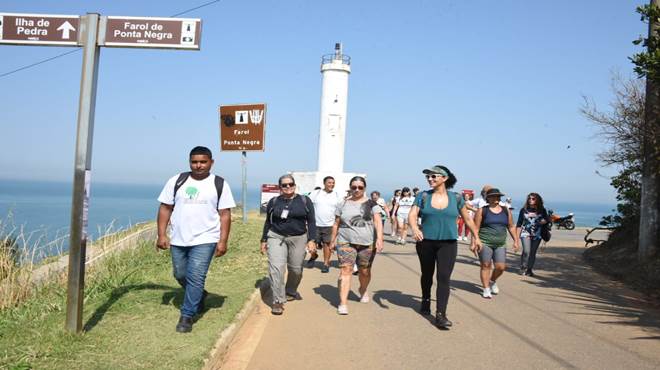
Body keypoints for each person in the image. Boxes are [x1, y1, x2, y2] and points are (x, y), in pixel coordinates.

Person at [157, 146, 236, 333]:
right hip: (179, 238)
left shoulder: (219, 183)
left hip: (206, 238)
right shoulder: (176, 181)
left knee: (196, 276)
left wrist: (223, 241)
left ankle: (187, 315)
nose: (198, 165)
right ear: (189, 162)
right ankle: (199, 294)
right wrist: (161, 234)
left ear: (211, 162)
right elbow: (165, 208)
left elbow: (225, 214)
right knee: (180, 274)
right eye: (194, 162)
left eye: (203, 161)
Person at [408, 165, 481, 329]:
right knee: (427, 274)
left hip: (448, 243)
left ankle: (441, 314)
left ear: (444, 178)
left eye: (434, 176)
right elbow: (412, 214)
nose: (430, 179)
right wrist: (415, 228)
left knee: (443, 277)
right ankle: (425, 299)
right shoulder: (422, 196)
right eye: (428, 177)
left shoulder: (456, 198)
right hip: (425, 242)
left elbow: (468, 220)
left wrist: (476, 237)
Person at [261, 175, 317, 315]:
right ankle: (278, 301)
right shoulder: (274, 202)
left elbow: (311, 221)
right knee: (276, 268)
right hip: (276, 237)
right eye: (284, 185)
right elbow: (268, 221)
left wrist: (312, 240)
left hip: (298, 238)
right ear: (280, 187)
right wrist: (263, 240)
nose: (288, 187)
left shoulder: (304, 200)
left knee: (296, 269)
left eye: (290, 184)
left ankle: (290, 290)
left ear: (294, 185)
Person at [331, 176, 384, 315]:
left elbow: (378, 221)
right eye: (354, 187)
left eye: (360, 187)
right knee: (345, 270)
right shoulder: (342, 204)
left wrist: (380, 239)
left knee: (364, 271)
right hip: (345, 241)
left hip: (367, 243)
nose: (357, 190)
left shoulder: (372, 204)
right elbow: (336, 223)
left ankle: (363, 289)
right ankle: (343, 303)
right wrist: (332, 240)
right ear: (350, 188)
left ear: (364, 188)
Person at [473, 188, 520, 298]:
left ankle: (492, 280)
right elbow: (476, 228)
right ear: (488, 198)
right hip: (484, 242)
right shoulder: (482, 210)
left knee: (500, 267)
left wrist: (516, 241)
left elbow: (511, 226)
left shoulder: (505, 210)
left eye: (498, 196)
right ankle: (485, 288)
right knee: (486, 265)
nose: (496, 198)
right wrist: (474, 242)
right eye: (493, 196)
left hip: (500, 243)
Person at [308, 176, 342, 273]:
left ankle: (326, 264)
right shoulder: (315, 193)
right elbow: (308, 206)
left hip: (329, 225)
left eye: (333, 183)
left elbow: (340, 211)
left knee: (327, 245)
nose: (331, 184)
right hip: (315, 224)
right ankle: (314, 256)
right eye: (329, 182)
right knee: (312, 245)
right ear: (324, 183)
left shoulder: (337, 195)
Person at [516, 193, 549, 277]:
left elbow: (547, 220)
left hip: (537, 234)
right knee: (526, 251)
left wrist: (544, 221)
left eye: (533, 199)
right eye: (529, 198)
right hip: (525, 233)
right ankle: (523, 267)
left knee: (533, 252)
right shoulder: (523, 210)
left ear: (537, 200)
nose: (531, 200)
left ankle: (529, 269)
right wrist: (516, 238)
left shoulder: (542, 210)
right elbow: (519, 224)